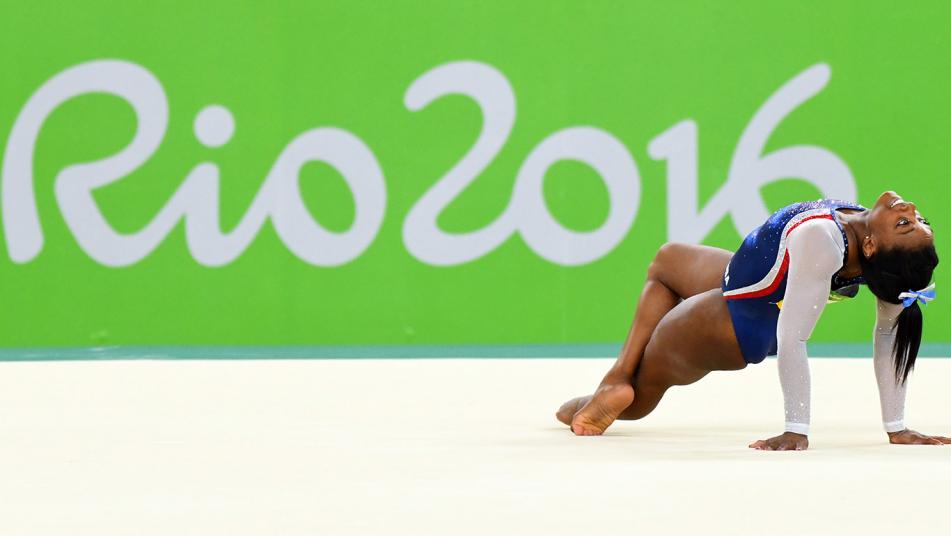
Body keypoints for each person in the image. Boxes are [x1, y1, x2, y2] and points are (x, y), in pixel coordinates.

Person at [556, 191, 947, 450]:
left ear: (871, 246)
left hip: (736, 320)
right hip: (740, 283)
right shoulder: (868, 239)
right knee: (667, 260)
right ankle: (614, 379)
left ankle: (621, 389)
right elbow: (885, 334)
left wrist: (798, 429)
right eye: (917, 218)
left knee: (645, 388)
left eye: (905, 225)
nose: (909, 211)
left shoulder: (822, 239)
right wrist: (895, 427)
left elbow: (797, 338)